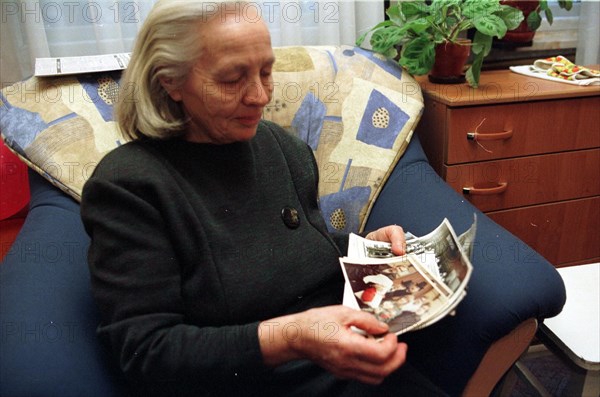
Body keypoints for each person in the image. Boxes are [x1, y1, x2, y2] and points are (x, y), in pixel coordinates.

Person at [80, 1, 448, 396]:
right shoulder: (130, 186)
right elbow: (147, 352)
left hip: (349, 364)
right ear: (170, 80)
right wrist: (290, 338)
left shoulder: (280, 147)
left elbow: (291, 255)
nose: (259, 96)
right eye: (232, 79)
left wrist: (360, 251)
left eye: (267, 72)